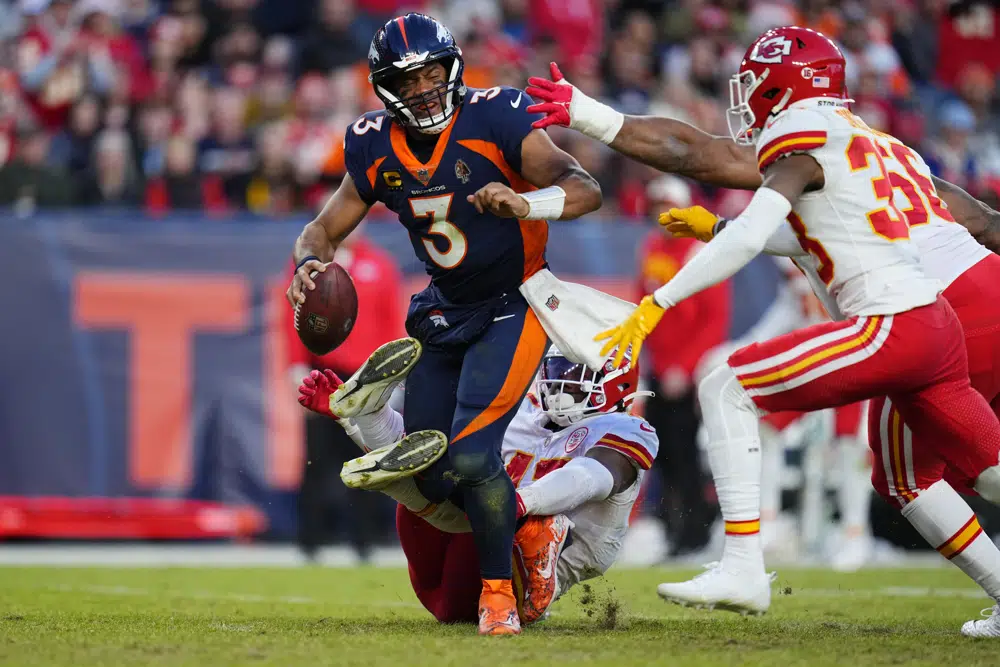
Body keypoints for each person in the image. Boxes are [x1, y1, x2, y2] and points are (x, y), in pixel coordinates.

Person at [526, 26, 1000, 634]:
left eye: (754, 82)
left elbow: (696, 156)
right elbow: (963, 222)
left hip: (923, 310)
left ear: (785, 84)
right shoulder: (886, 145)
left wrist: (660, 298)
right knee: (919, 476)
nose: (747, 97)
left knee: (727, 383)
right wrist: (714, 231)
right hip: (950, 308)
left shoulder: (800, 133)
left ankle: (744, 564)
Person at [284, 13, 602, 636]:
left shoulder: (496, 117)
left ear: (454, 68)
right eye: (409, 79)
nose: (425, 88)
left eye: (433, 72)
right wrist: (307, 264)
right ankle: (528, 532)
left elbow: (584, 187)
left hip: (517, 301)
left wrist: (524, 201)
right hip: (444, 310)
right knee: (428, 468)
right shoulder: (373, 142)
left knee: (474, 453)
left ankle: (498, 596)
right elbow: (319, 230)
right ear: (385, 87)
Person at [296, 338, 657, 625]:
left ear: (616, 379)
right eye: (557, 368)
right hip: (486, 523)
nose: (560, 382)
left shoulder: (627, 429)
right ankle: (370, 413)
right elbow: (418, 449)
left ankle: (532, 538)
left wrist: (519, 503)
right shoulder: (529, 408)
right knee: (434, 476)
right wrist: (348, 421)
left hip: (540, 557)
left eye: (576, 375)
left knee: (453, 601)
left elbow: (593, 477)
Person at [286, 225, 405, 562]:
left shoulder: (380, 264)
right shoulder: (308, 268)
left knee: (367, 456)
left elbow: (389, 322)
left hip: (364, 374)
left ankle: (365, 540)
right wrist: (295, 366)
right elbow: (293, 318)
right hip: (324, 370)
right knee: (317, 458)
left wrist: (391, 376)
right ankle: (310, 540)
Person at [637, 175, 728, 557]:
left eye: (668, 207)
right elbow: (644, 304)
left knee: (688, 454)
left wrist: (685, 366)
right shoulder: (653, 248)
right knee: (660, 454)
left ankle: (696, 532)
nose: (661, 215)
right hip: (660, 368)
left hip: (690, 373)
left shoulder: (702, 252)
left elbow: (714, 319)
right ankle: (672, 531)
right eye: (657, 207)